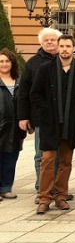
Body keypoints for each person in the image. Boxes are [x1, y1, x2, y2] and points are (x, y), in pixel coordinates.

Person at [30, 34, 75, 214]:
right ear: (58, 48)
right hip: (50, 123)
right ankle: (44, 198)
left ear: (73, 48)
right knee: (47, 160)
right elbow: (35, 94)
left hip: (70, 124)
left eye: (68, 46)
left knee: (66, 161)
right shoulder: (45, 69)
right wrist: (45, 113)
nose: (64, 49)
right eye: (61, 46)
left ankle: (61, 196)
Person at [16, 27, 60, 198]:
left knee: (58, 155)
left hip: (61, 118)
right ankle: (41, 188)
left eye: (52, 40)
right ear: (41, 43)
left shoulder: (64, 61)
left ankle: (56, 188)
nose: (49, 42)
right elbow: (23, 92)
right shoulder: (32, 63)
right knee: (41, 154)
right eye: (46, 40)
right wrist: (23, 116)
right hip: (41, 118)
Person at [0, 49, 23, 200]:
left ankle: (6, 187)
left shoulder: (19, 81)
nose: (4, 64)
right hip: (1, 124)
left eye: (7, 61)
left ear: (12, 63)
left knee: (11, 157)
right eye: (1, 61)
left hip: (15, 127)